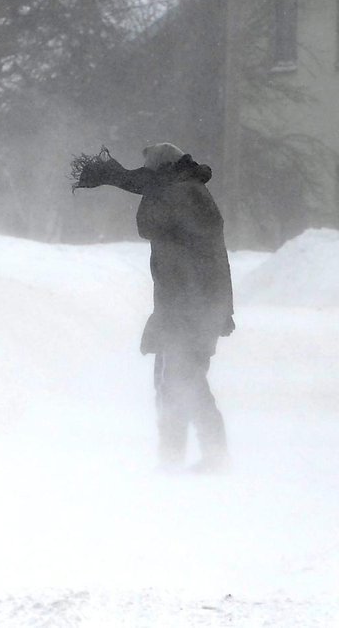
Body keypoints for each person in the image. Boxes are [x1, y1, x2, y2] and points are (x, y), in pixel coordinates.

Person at [72, 143, 234, 472]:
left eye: (150, 170)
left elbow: (149, 223)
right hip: (192, 304)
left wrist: (129, 181)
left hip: (187, 306)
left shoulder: (182, 194)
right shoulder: (186, 189)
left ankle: (189, 457)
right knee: (180, 380)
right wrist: (123, 179)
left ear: (161, 169)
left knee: (179, 381)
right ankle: (185, 456)